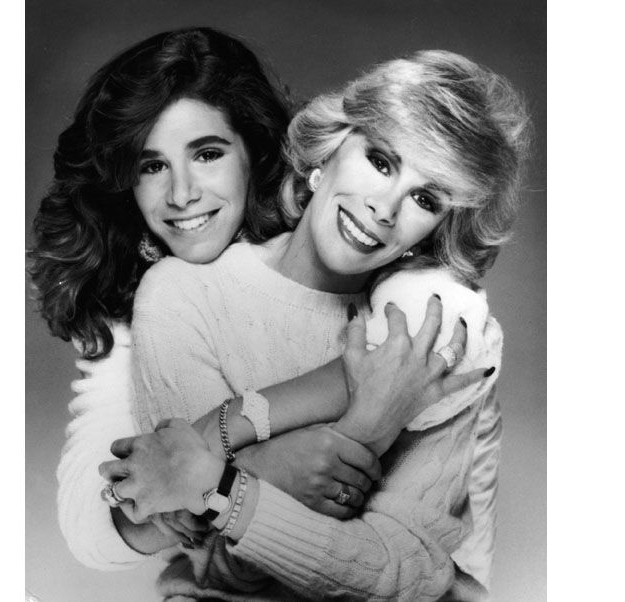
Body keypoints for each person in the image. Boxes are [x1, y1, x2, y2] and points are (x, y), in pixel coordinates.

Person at [31, 27, 466, 576]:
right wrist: (260, 470)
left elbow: (409, 362)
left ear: (254, 152)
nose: (182, 194)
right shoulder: (146, 299)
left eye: (207, 154)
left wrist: (217, 467)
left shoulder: (351, 230)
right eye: (151, 165)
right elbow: (90, 523)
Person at [100, 49, 530, 600]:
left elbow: (407, 574)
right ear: (329, 150)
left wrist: (231, 472)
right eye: (381, 161)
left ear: (438, 229)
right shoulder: (185, 295)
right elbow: (224, 564)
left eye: (424, 198)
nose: (384, 209)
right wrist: (365, 423)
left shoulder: (438, 334)